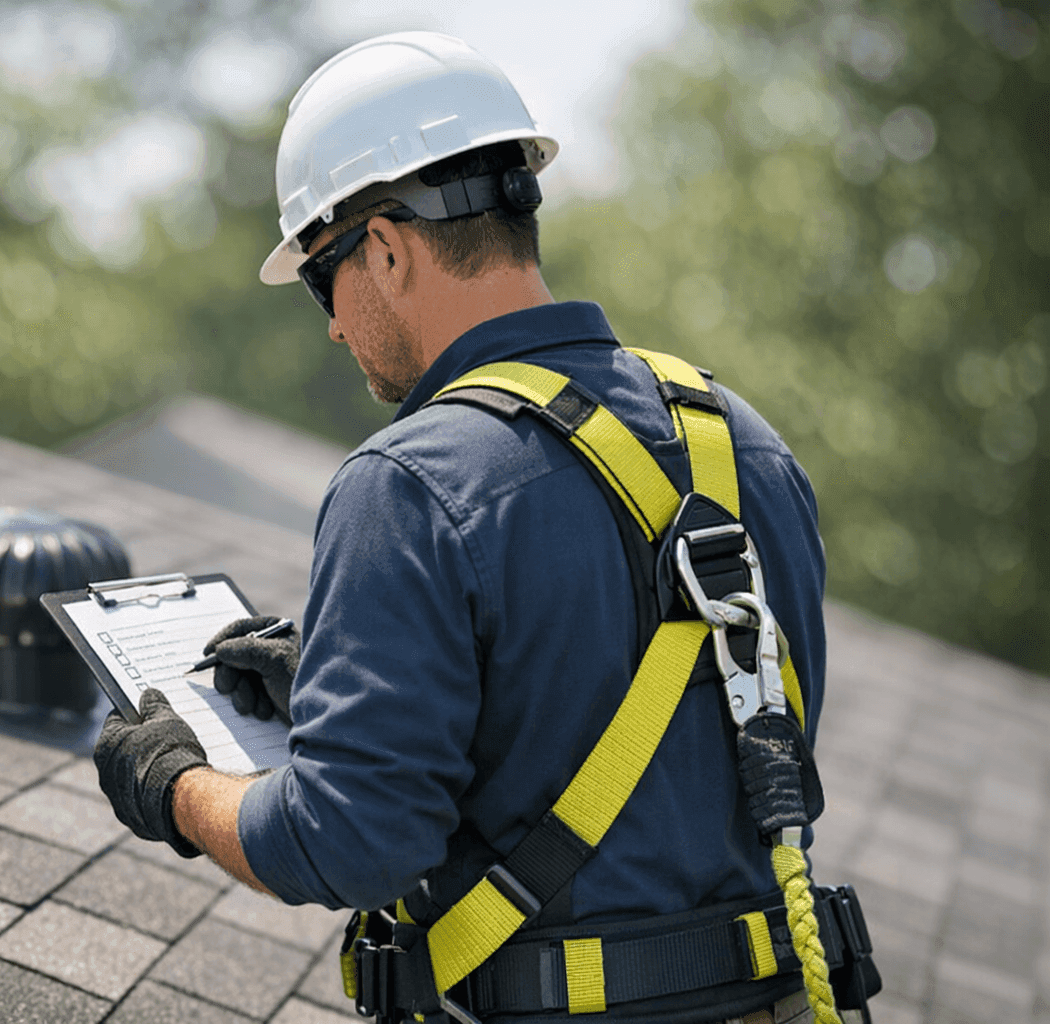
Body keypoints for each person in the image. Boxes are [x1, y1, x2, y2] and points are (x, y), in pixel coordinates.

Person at [96, 32, 876, 1024]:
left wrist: (174, 778)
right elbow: (692, 722)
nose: (332, 324)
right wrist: (370, 690)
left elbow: (345, 841)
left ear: (383, 245)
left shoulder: (408, 483)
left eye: (319, 280)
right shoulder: (742, 439)